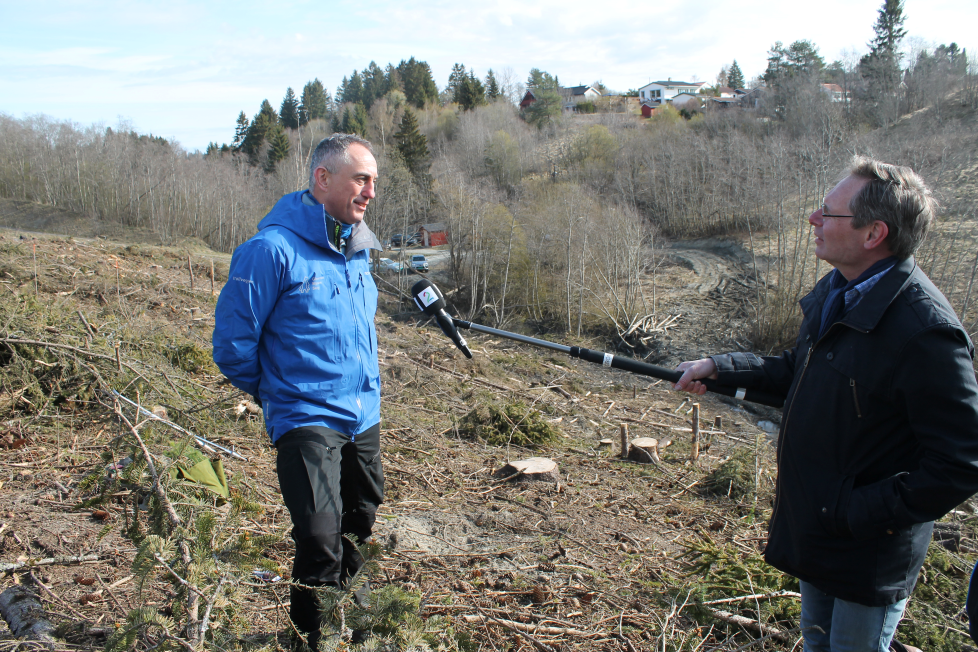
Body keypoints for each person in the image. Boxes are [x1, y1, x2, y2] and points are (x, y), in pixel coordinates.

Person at [675, 157, 978, 652]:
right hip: (819, 529)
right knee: (818, 645)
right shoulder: (841, 293)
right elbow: (803, 373)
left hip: (865, 550)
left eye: (827, 213)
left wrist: (853, 512)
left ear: (873, 233)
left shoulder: (926, 333)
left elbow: (961, 463)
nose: (813, 219)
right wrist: (722, 368)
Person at [212, 134, 384, 650]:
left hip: (363, 415)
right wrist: (281, 394)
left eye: (374, 181)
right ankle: (313, 639)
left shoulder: (356, 249)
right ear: (322, 178)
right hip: (305, 416)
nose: (370, 191)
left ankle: (349, 623)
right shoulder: (270, 250)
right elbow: (232, 343)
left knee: (359, 526)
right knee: (319, 538)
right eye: (360, 178)